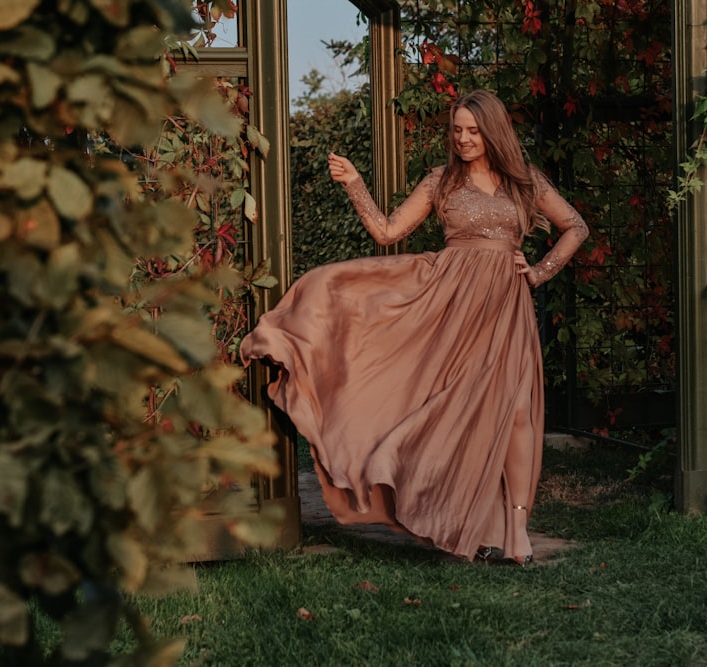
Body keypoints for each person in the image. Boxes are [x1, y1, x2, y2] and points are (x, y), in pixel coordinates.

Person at [240, 89, 588, 564]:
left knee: (518, 413)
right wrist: (355, 184)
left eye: (473, 131)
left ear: (494, 132)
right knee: (451, 409)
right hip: (449, 309)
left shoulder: (525, 182)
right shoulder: (440, 182)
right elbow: (387, 232)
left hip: (506, 305)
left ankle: (519, 529)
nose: (464, 139)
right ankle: (449, 511)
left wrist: (539, 272)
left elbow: (576, 226)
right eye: (457, 130)